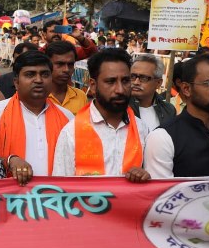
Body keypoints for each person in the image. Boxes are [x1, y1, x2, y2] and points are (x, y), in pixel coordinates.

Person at [0, 51, 73, 184]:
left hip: (56, 195)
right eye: (30, 74)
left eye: (44, 74)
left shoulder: (67, 117)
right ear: (16, 82)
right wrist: (10, 160)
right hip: (9, 196)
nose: (38, 80)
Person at [53, 48, 149, 181]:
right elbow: (61, 186)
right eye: (110, 81)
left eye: (125, 81)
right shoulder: (71, 133)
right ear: (93, 85)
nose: (120, 90)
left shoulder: (142, 129)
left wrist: (145, 176)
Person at [129, 53, 175, 131]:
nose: (136, 82)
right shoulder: (118, 107)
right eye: (132, 76)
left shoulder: (168, 110)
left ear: (158, 83)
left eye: (143, 78)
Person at [45, 41, 88, 114]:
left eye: (70, 64)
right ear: (47, 65)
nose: (66, 70)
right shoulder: (37, 97)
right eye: (60, 64)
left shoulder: (80, 96)